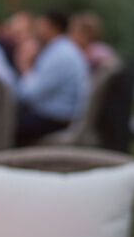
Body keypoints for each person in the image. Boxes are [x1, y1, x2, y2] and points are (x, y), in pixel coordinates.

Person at [16, 9, 90, 143]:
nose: (36, 29)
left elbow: (30, 94)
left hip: (57, 120)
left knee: (7, 121)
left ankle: (6, 161)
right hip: (58, 116)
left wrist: (25, 66)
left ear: (52, 27)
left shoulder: (59, 54)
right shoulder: (60, 49)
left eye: (40, 24)